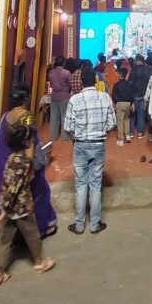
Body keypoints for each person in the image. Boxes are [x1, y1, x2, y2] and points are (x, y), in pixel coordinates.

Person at [0, 118, 56, 288]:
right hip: (21, 208)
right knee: (33, 236)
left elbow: (7, 185)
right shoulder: (23, 163)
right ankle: (40, 262)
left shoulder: (11, 159)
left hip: (8, 208)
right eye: (30, 141)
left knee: (5, 242)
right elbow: (15, 189)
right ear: (25, 143)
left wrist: (3, 210)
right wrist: (4, 212)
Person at [0, 86, 57, 237]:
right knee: (40, 192)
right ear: (25, 100)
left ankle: (14, 230)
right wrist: (33, 165)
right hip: (24, 162)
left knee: (14, 196)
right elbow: (30, 142)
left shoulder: (6, 117)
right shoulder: (27, 116)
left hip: (10, 162)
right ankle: (41, 228)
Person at [64, 66, 116, 234]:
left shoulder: (74, 100)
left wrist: (78, 135)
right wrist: (100, 131)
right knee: (95, 185)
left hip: (80, 145)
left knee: (80, 185)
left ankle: (79, 225)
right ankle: (94, 224)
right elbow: (112, 123)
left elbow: (68, 127)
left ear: (81, 82)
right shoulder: (105, 97)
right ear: (95, 80)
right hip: (98, 145)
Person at [48, 55, 71, 142]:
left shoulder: (51, 72)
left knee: (54, 116)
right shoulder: (67, 72)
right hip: (64, 96)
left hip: (54, 96)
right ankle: (64, 137)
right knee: (64, 116)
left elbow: (51, 83)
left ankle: (53, 136)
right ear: (64, 63)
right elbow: (69, 85)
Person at [130, 55, 152, 138]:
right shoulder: (148, 70)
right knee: (141, 115)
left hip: (134, 94)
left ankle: (131, 133)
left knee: (132, 115)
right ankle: (140, 132)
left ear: (138, 61)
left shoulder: (134, 69)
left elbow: (130, 82)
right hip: (144, 95)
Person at [112, 67, 134, 146]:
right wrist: (132, 103)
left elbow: (113, 96)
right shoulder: (129, 84)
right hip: (128, 103)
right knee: (127, 119)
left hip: (119, 103)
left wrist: (115, 103)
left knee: (120, 121)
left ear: (119, 75)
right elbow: (132, 95)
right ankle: (127, 136)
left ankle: (121, 139)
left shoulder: (116, 85)